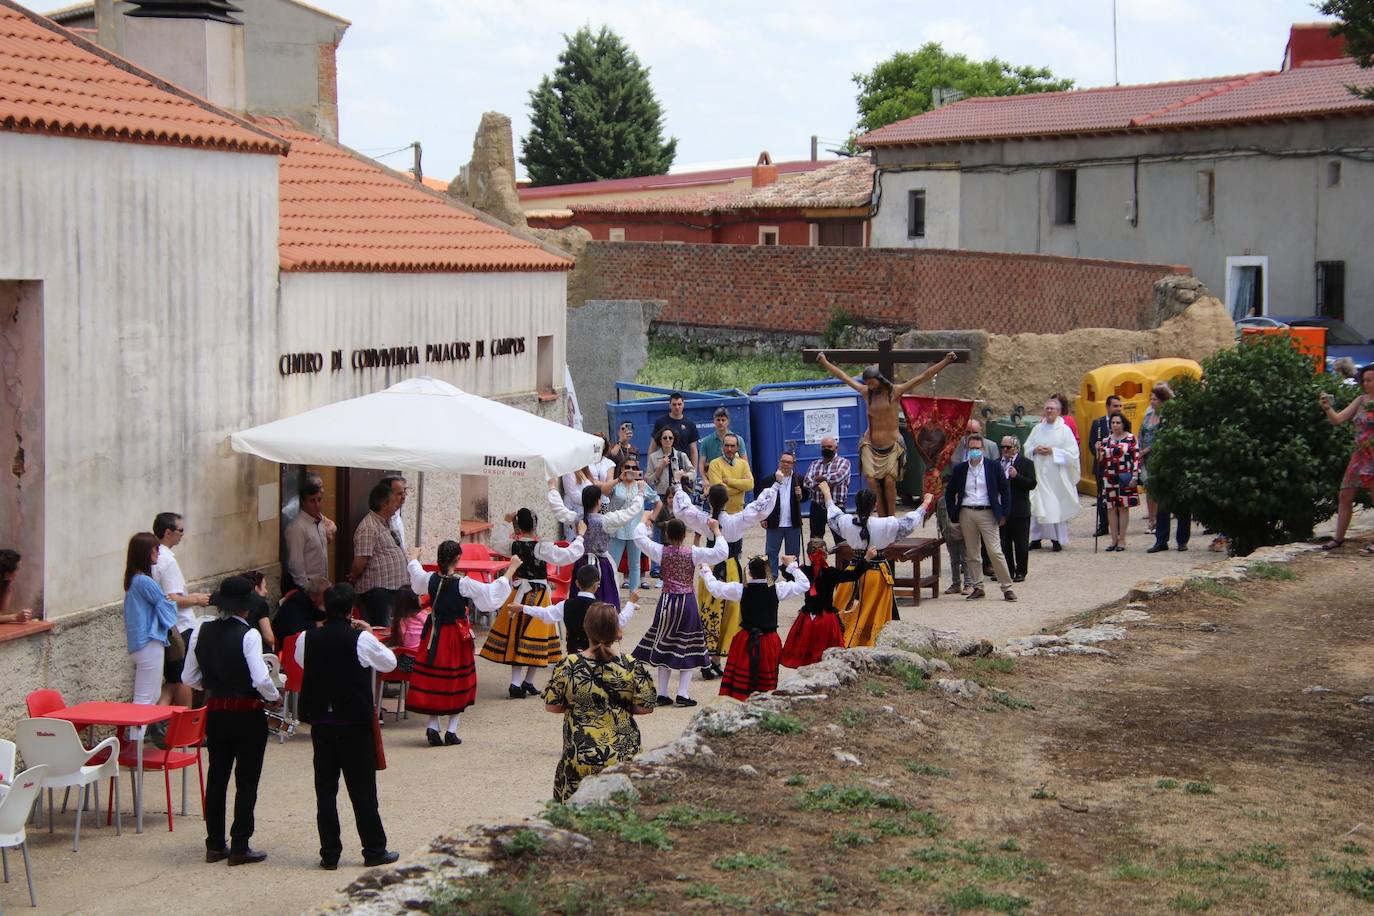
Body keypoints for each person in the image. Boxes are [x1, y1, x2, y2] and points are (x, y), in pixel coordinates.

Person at [294, 583, 399, 870]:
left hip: (322, 723)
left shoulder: (308, 638)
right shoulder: (360, 640)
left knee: (326, 791)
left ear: (325, 607)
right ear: (352, 609)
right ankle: (373, 849)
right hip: (353, 723)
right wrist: (368, 634)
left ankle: (329, 853)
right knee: (363, 790)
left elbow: (300, 661)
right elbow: (389, 663)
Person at [183, 575, 281, 867]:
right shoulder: (249, 635)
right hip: (247, 713)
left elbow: (189, 678)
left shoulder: (201, 629)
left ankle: (214, 844)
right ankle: (240, 845)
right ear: (246, 608)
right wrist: (273, 696)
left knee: (217, 778)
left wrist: (213, 682)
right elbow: (260, 678)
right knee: (246, 780)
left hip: (216, 711)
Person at [817, 350, 958, 517]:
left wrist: (945, 362)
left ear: (879, 380)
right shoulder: (865, 393)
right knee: (871, 481)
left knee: (890, 482)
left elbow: (922, 377)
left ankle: (890, 518)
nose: (870, 386)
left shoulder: (895, 392)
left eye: (872, 382)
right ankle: (881, 517)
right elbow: (844, 377)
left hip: (891, 445)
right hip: (870, 444)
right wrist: (824, 362)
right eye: (867, 383)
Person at [541, 603, 657, 802]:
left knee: (574, 814)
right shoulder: (631, 665)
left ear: (586, 628)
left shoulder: (568, 665)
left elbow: (552, 705)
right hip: (623, 752)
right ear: (617, 632)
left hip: (580, 752)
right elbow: (645, 707)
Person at [403, 543, 515, 746]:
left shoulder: (429, 579)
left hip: (433, 636)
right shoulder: (463, 583)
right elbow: (490, 594)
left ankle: (433, 725)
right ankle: (451, 731)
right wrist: (511, 571)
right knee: (457, 679)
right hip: (455, 635)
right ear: (457, 559)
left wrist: (413, 557)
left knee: (435, 679)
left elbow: (416, 574)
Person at [670, 479, 779, 679]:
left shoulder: (704, 519)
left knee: (707, 611)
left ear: (709, 500)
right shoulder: (735, 520)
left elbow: (684, 509)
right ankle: (715, 659)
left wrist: (678, 486)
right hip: (730, 568)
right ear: (727, 500)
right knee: (729, 614)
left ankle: (707, 658)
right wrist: (775, 486)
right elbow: (760, 508)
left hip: (709, 567)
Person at [480, 508, 585, 699]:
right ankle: (521, 683)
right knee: (537, 637)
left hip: (518, 594)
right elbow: (568, 555)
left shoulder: (513, 545)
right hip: (538, 594)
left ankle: (521, 682)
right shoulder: (541, 547)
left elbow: (495, 542)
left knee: (518, 635)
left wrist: (505, 521)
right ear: (535, 525)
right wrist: (580, 537)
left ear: (518, 526)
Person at [630, 514, 728, 706]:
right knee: (687, 645)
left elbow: (638, 538)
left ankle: (664, 693)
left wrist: (643, 520)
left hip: (667, 600)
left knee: (664, 644)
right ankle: (682, 693)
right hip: (687, 601)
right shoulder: (693, 552)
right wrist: (716, 530)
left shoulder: (661, 551)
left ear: (666, 533)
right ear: (685, 535)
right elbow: (721, 552)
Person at [821, 481, 935, 646]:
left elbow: (833, 516)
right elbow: (909, 523)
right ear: (875, 504)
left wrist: (827, 493)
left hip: (852, 570)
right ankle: (871, 641)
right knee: (874, 610)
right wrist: (925, 503)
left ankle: (835, 639)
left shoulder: (846, 522)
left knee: (841, 605)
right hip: (876, 572)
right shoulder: (885, 524)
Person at [701, 555, 809, 701]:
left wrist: (706, 569)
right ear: (768, 572)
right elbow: (804, 584)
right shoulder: (777, 589)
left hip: (745, 640)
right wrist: (792, 565)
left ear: (749, 572)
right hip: (768, 641)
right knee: (766, 682)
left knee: (742, 682)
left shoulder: (740, 589)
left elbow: (715, 588)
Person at [546, 481, 645, 608]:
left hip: (581, 564)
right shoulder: (606, 520)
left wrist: (552, 488)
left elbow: (558, 509)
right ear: (599, 502)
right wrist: (640, 492)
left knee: (580, 602)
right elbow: (631, 511)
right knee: (605, 601)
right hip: (602, 566)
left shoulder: (576, 519)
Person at [944, 433, 1018, 601]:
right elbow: (950, 492)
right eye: (972, 449)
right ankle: (978, 586)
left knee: (994, 550)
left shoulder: (993, 466)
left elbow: (1004, 489)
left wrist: (1004, 512)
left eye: (977, 448)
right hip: (967, 512)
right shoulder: (961, 469)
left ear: (982, 449)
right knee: (972, 552)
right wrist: (953, 512)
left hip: (987, 512)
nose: (975, 452)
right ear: (967, 450)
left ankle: (1006, 587)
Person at [122, 532, 179, 741]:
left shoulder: (135, 580)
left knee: (152, 694)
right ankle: (135, 744)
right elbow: (167, 609)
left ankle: (136, 742)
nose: (158, 552)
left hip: (143, 642)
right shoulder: (144, 581)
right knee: (145, 697)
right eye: (155, 549)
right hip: (148, 642)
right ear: (145, 553)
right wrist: (169, 600)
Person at [151, 512, 211, 710]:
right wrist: (196, 599)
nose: (183, 535)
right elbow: (173, 598)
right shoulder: (166, 561)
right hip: (180, 625)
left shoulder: (156, 557)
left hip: (168, 626)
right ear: (168, 532)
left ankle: (159, 721)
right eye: (181, 530)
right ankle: (183, 726)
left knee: (173, 678)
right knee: (183, 677)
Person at [511, 564, 639, 657]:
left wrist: (523, 608)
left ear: (577, 584)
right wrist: (631, 604)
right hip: (596, 656)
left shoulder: (566, 604)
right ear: (596, 586)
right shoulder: (602, 607)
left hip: (573, 656)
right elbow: (620, 621)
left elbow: (546, 613)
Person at [1320, 365, 1374, 552]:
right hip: (1359, 456)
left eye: (1370, 380)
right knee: (1345, 495)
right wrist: (1328, 409)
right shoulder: (1360, 401)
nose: (1367, 384)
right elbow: (1338, 419)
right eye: (1365, 380)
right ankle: (1338, 538)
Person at [780, 545, 861, 669]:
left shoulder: (803, 572)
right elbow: (854, 575)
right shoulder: (831, 573)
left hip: (807, 618)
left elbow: (787, 574)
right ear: (826, 555)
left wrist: (785, 563)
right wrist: (866, 559)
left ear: (808, 555)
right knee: (828, 654)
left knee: (805, 650)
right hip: (827, 619)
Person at [348, 481, 408, 627]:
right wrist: (354, 575)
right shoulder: (369, 527)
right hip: (378, 592)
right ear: (383, 505)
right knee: (381, 629)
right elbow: (360, 562)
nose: (397, 504)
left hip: (391, 590)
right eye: (394, 501)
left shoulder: (386, 523)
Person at [1025, 397, 1081, 551]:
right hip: (1039, 473)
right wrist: (1034, 450)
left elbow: (1073, 453)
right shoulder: (1037, 429)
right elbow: (1027, 447)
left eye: (1052, 409)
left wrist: (1053, 451)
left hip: (1056, 474)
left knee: (1054, 505)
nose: (1049, 411)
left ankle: (1056, 539)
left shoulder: (1064, 430)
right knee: (1038, 505)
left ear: (1058, 411)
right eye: (1047, 408)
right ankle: (1036, 538)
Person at [1145, 384, 1192, 554]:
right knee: (1163, 504)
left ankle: (1182, 540)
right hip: (1161, 465)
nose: (1152, 403)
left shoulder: (1176, 416)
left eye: (1155, 399)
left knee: (1182, 505)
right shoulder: (1153, 417)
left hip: (1177, 463)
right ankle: (1161, 539)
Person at [645, 426, 695, 583]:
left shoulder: (681, 455)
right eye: (664, 438)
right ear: (660, 440)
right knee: (659, 530)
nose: (667, 440)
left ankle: (678, 559)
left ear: (674, 440)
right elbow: (650, 480)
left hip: (678, 496)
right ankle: (656, 567)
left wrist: (683, 474)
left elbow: (693, 473)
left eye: (670, 438)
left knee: (678, 529)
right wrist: (660, 468)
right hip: (660, 496)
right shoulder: (654, 457)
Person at [938, 418, 982, 594]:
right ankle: (956, 583)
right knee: (953, 558)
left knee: (966, 557)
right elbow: (940, 516)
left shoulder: (962, 496)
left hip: (964, 528)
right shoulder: (942, 500)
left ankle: (968, 583)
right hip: (949, 531)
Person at [606, 458, 657, 591]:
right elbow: (604, 492)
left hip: (635, 531)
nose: (631, 470)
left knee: (635, 565)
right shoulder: (616, 485)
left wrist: (650, 518)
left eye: (634, 468)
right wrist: (618, 479)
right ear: (622, 469)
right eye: (627, 467)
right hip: (617, 530)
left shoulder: (641, 485)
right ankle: (612, 593)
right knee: (612, 564)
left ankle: (633, 596)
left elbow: (657, 501)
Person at [1089, 396, 1133, 538]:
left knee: (1120, 498)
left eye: (1120, 406)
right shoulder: (1098, 423)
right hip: (1102, 465)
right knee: (1103, 496)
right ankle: (1103, 525)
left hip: (1120, 468)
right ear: (1107, 407)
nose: (1118, 408)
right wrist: (1097, 451)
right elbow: (1091, 443)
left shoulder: (1125, 423)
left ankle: (1119, 527)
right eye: (1115, 406)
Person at [284, 478, 336, 593]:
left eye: (319, 500)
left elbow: (333, 527)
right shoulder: (297, 527)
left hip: (321, 585)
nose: (317, 505)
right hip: (309, 587)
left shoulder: (319, 520)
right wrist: (305, 587)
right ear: (303, 502)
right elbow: (295, 562)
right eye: (312, 501)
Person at [1097, 414, 1140, 552]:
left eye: (1118, 422)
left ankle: (1122, 539)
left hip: (1125, 474)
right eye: (1113, 423)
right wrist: (1098, 450)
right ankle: (1114, 539)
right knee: (1111, 508)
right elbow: (1100, 460)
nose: (1115, 425)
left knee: (1123, 507)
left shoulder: (1130, 438)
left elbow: (1136, 458)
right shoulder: (1106, 440)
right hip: (1109, 476)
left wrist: (1135, 476)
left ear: (1123, 424)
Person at [997, 436, 1037, 582]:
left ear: (1016, 449)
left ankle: (1021, 571)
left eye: (1008, 447)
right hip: (1003, 511)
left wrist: (1016, 476)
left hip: (1020, 509)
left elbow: (1032, 483)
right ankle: (1008, 569)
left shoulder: (1026, 463)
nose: (1005, 450)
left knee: (1021, 543)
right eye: (1003, 447)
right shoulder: (997, 463)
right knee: (1004, 543)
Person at [759, 452, 805, 578]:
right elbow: (762, 501)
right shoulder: (769, 480)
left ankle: (793, 578)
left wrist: (800, 494)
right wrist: (763, 517)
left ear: (793, 464)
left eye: (789, 462)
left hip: (793, 523)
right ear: (779, 462)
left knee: (793, 553)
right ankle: (769, 579)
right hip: (774, 522)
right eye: (783, 461)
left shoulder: (798, 479)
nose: (785, 464)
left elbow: (805, 497)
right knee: (770, 553)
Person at [803, 436, 851, 544]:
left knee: (842, 541)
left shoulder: (844, 463)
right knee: (815, 541)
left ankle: (843, 561)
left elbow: (837, 478)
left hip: (837, 507)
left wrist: (819, 479)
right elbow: (806, 482)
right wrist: (825, 481)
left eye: (829, 447)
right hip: (817, 507)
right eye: (824, 447)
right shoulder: (814, 464)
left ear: (836, 448)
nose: (826, 449)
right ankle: (817, 561)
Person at [1138, 386, 1165, 534]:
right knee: (1149, 489)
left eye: (1155, 399)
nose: (1152, 402)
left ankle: (1159, 520)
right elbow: (1141, 433)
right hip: (1145, 458)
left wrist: (1147, 449)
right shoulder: (1148, 417)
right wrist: (1139, 451)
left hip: (1157, 457)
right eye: (1151, 399)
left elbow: (1161, 438)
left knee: (1158, 490)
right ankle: (1151, 520)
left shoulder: (1164, 418)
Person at [651, 392, 700, 472]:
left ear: (683, 405)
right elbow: (653, 446)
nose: (677, 407)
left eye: (679, 404)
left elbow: (694, 451)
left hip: (683, 468)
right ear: (669, 405)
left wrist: (693, 472)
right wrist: (651, 468)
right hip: (664, 467)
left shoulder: (690, 424)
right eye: (674, 404)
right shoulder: (660, 422)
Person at [706, 433, 754, 513]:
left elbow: (750, 485)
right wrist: (741, 487)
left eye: (732, 446)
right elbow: (719, 492)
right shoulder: (714, 464)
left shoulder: (743, 464)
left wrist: (729, 481)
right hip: (719, 513)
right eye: (727, 445)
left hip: (739, 513)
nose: (729, 449)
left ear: (737, 448)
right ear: (722, 446)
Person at [697, 407, 748, 479]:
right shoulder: (706, 441)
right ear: (714, 421)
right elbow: (701, 464)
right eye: (718, 420)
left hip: (733, 477)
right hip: (712, 477)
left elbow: (745, 462)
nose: (720, 423)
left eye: (723, 420)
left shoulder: (739, 440)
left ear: (728, 421)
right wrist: (704, 479)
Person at [274, 576, 329, 644]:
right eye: (325, 595)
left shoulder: (313, 601)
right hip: (287, 641)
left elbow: (319, 615)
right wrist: (315, 624)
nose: (327, 598)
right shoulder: (296, 602)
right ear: (314, 595)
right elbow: (297, 627)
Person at [240, 570, 276, 654]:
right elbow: (269, 638)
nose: (266, 591)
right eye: (264, 587)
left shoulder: (236, 603)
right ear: (256, 588)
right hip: (258, 650)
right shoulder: (260, 604)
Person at [0, 549, 34, 624]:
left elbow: (1, 613)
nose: (17, 573)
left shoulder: (5, 584)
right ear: (7, 572)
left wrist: (8, 589)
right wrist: (15, 617)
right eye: (17, 569)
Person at [380, 475, 409, 552]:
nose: (404, 496)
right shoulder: (375, 523)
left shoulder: (396, 515)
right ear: (386, 495)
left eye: (405, 490)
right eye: (399, 493)